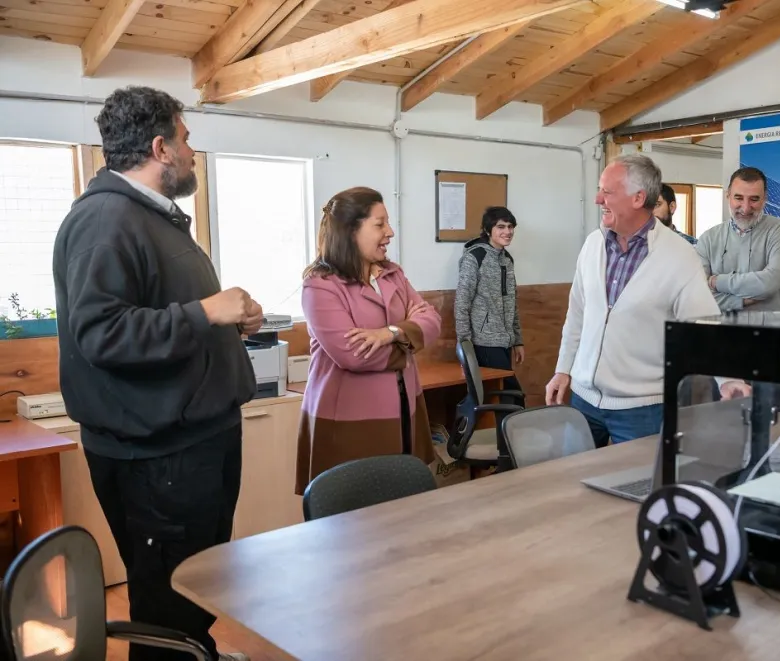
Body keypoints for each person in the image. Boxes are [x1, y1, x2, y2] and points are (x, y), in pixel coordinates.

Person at [52, 86, 261, 661]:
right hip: (158, 456)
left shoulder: (153, 219)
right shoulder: (105, 220)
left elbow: (162, 317)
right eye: (188, 139)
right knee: (167, 600)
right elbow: (102, 333)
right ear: (160, 147)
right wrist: (204, 312)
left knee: (197, 586)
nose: (194, 151)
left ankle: (199, 651)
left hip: (194, 439)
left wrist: (228, 321)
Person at [545, 154, 746, 448]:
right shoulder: (593, 245)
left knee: (638, 491)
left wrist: (727, 379)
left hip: (643, 410)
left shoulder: (678, 255)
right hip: (583, 401)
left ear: (638, 198)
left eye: (607, 192)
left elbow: (704, 325)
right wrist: (563, 370)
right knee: (571, 487)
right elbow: (576, 314)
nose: (598, 199)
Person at [296, 187, 441, 494]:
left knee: (402, 514)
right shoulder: (320, 286)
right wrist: (409, 340)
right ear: (351, 231)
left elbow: (431, 321)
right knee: (354, 523)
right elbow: (353, 355)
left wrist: (390, 333)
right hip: (350, 421)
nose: (390, 232)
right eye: (380, 224)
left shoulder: (393, 274)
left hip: (404, 411)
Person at [695, 167, 780, 312]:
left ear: (765, 199)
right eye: (739, 198)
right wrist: (740, 301)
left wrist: (716, 281)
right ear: (727, 196)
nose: (746, 208)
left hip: (772, 332)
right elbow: (699, 294)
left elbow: (769, 284)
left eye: (754, 199)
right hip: (724, 333)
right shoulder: (708, 239)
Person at [454, 206, 524, 399]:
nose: (507, 232)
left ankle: (505, 429)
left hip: (505, 341)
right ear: (487, 230)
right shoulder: (475, 257)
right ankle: (510, 430)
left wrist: (517, 340)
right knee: (511, 396)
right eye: (501, 226)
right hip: (483, 342)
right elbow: (462, 302)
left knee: (505, 396)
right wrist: (465, 344)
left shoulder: (507, 260)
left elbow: (512, 303)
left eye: (510, 227)